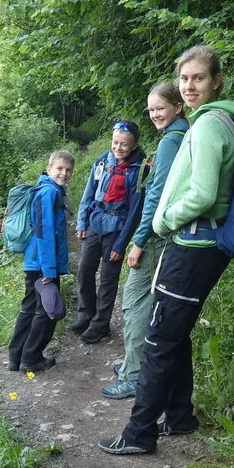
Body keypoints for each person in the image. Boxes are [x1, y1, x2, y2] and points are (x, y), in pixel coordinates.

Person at [99, 44, 234, 454]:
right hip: (204, 246)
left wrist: (160, 222)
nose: (189, 86)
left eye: (198, 78)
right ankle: (180, 417)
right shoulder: (222, 122)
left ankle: (138, 433)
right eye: (184, 78)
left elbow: (202, 194)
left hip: (194, 246)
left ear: (216, 80)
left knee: (158, 339)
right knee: (175, 333)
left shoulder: (207, 127)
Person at [102, 83, 188, 400]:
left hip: (155, 236)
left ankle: (132, 376)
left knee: (135, 303)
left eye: (160, 108)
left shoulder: (170, 143)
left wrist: (138, 240)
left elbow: (156, 194)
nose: (154, 114)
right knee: (145, 302)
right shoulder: (184, 134)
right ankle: (134, 363)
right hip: (170, 233)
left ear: (178, 106)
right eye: (150, 109)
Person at [69, 121, 148, 344]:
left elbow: (135, 211)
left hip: (117, 227)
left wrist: (120, 245)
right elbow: (89, 192)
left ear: (133, 146)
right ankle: (86, 314)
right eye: (115, 142)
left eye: (124, 144)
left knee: (107, 278)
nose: (118, 148)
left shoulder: (139, 169)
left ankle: (101, 324)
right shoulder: (103, 160)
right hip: (96, 221)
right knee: (84, 270)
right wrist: (82, 222)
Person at [7, 150, 75, 373]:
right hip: (43, 264)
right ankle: (31, 358)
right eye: (59, 169)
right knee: (47, 311)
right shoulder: (47, 193)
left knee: (29, 309)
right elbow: (44, 231)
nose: (63, 173)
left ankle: (16, 357)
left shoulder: (49, 190)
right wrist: (49, 269)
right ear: (49, 170)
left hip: (35, 261)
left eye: (68, 170)